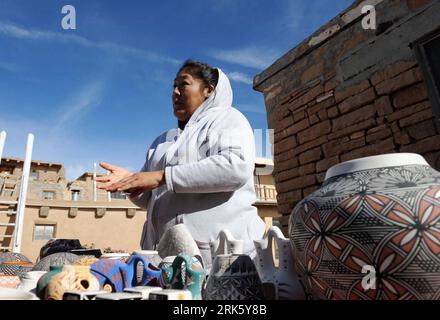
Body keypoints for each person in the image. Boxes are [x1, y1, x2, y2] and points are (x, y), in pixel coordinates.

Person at [96, 60, 265, 267]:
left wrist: (162, 176)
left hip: (220, 261)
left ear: (208, 90)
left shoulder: (228, 119)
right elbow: (151, 199)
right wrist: (131, 185)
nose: (175, 92)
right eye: (173, 87)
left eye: (183, 84)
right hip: (164, 259)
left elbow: (235, 167)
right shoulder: (163, 141)